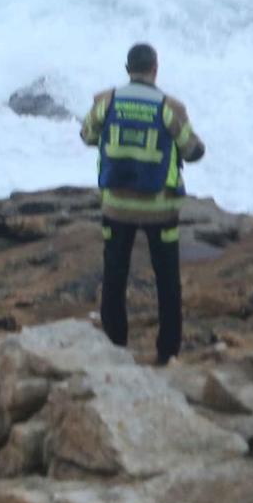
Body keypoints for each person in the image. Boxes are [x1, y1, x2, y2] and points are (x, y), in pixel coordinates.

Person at [79, 43, 205, 363]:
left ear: (127, 69)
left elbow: (87, 135)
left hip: (116, 206)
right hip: (160, 210)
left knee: (114, 275)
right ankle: (167, 353)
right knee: (166, 281)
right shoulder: (169, 108)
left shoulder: (106, 102)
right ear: (155, 68)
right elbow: (193, 150)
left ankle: (115, 346)